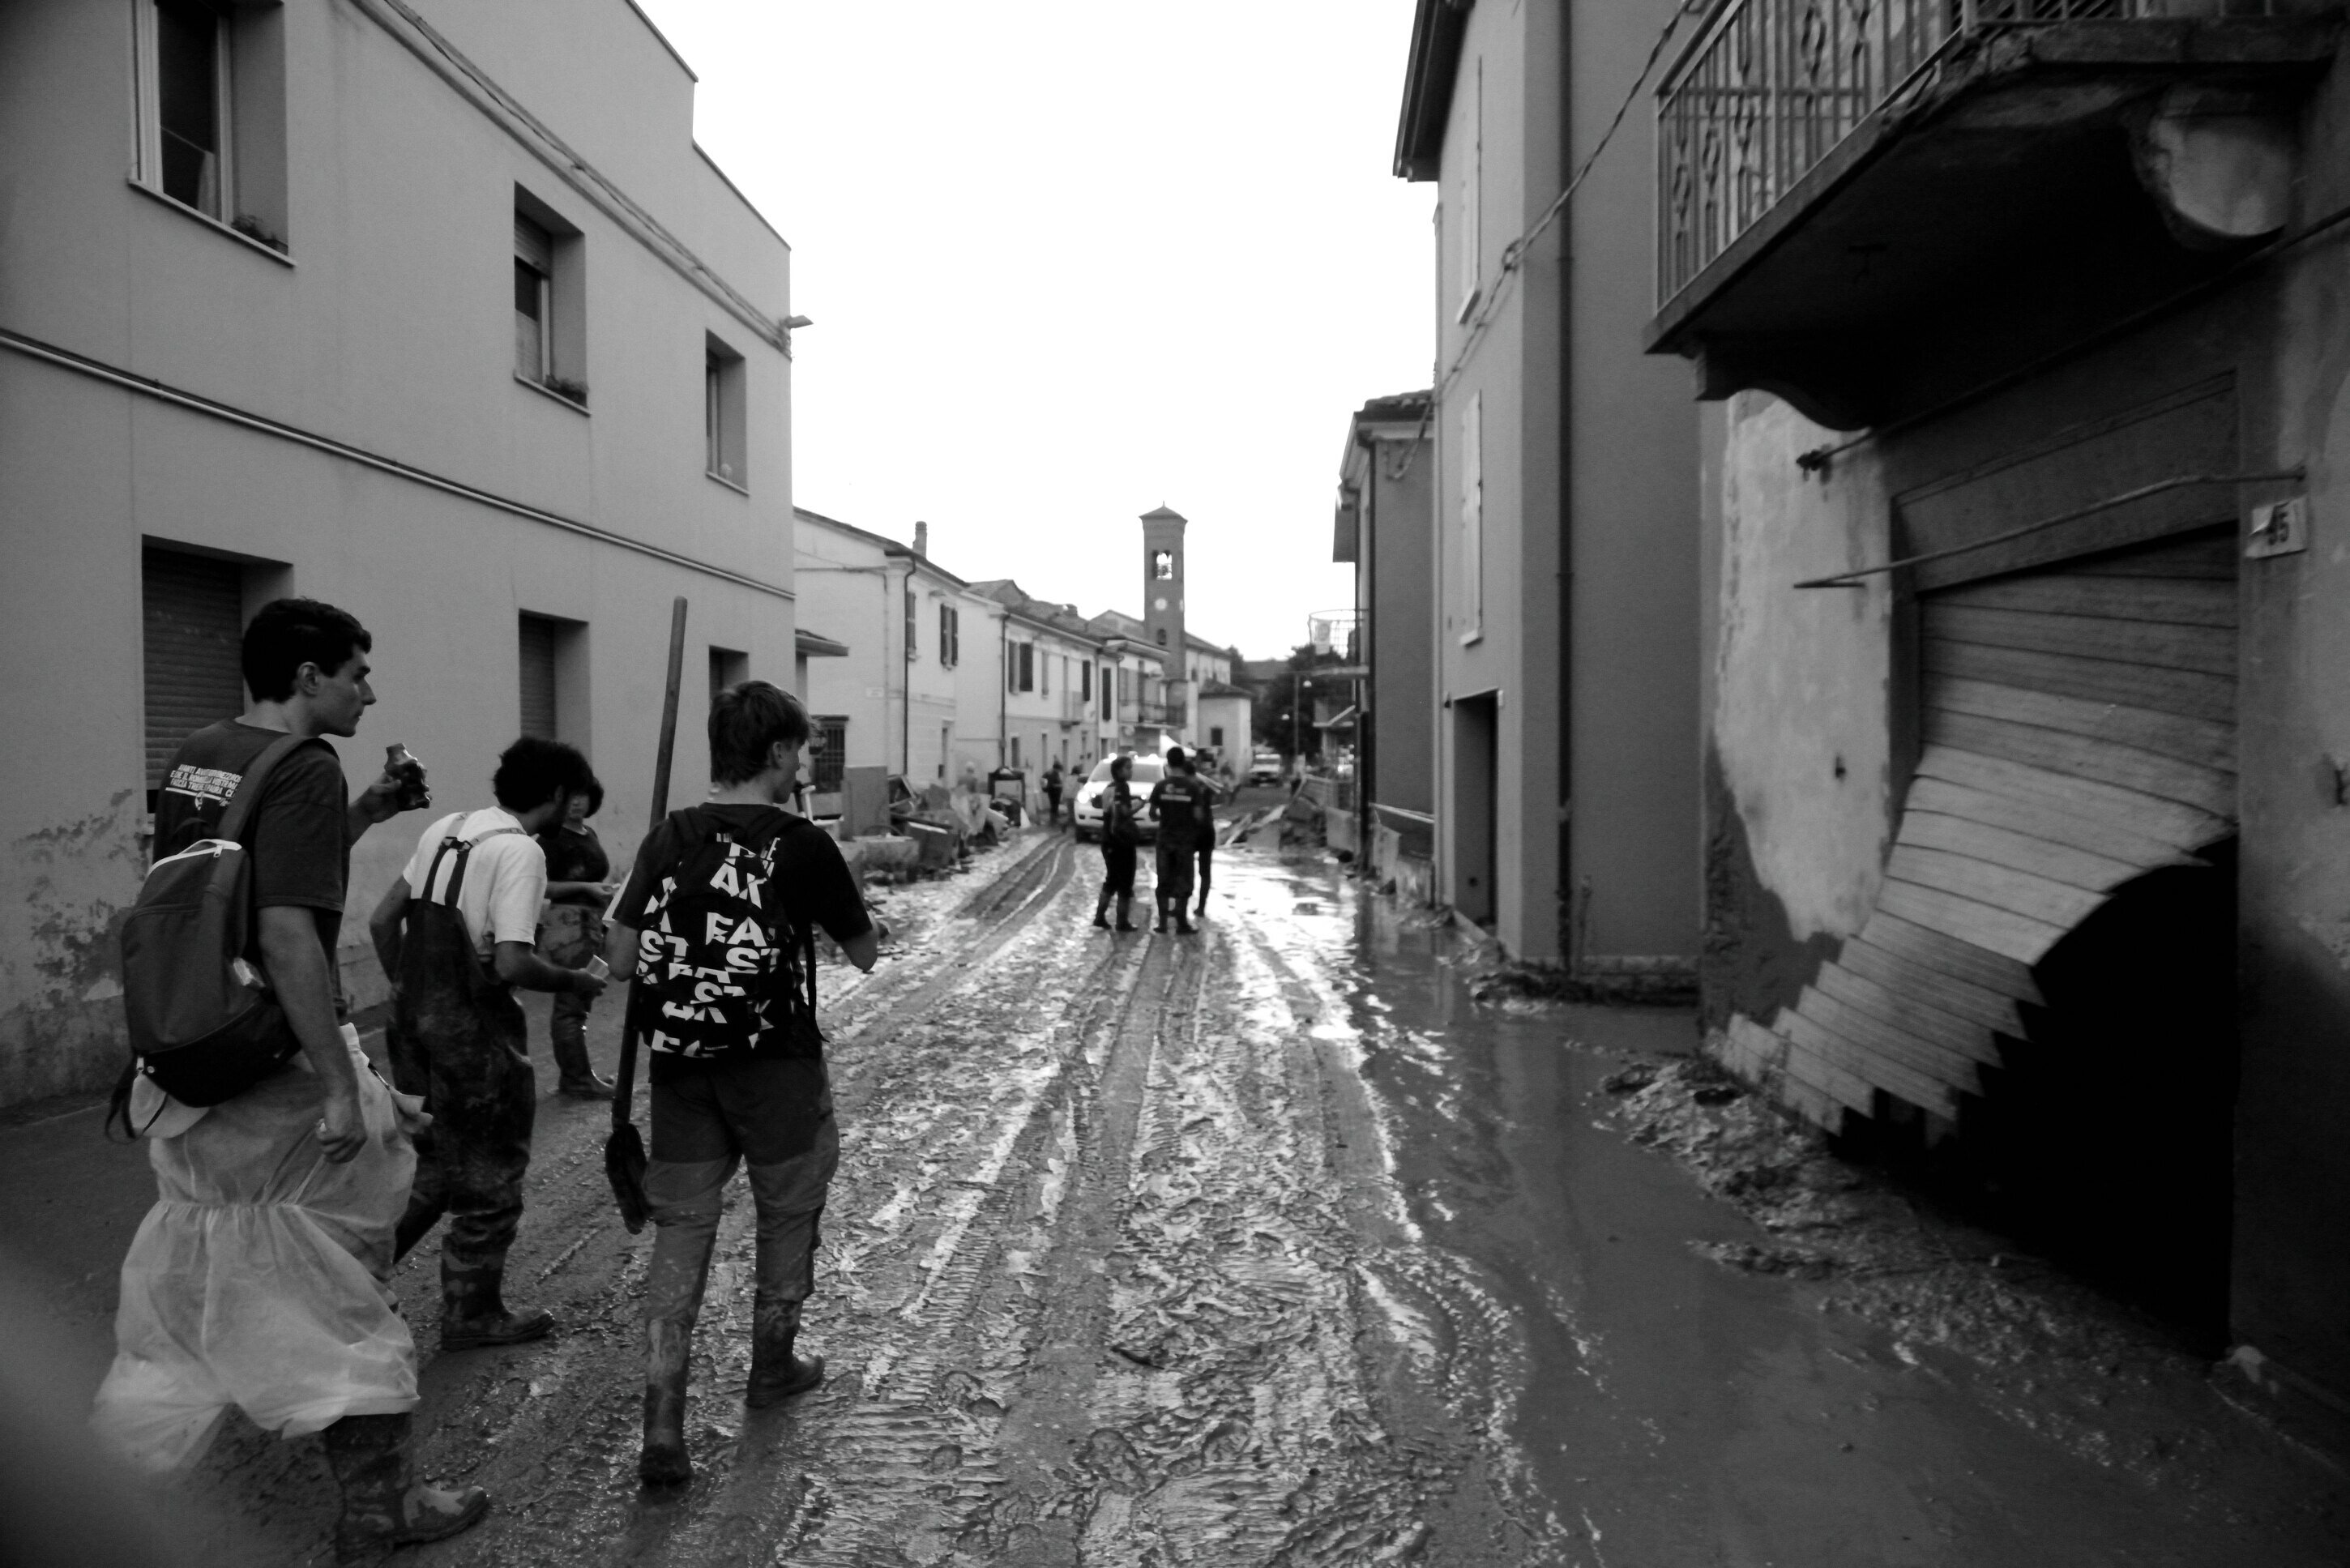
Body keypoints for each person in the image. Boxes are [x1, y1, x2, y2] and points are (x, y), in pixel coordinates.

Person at [90, 597, 489, 1558]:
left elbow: (237, 884)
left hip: (193, 1058)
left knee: (206, 1285)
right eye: (358, 672)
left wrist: (365, 815)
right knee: (341, 1284)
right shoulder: (306, 764)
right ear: (308, 679)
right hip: (272, 1063)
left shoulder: (201, 751)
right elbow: (281, 931)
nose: (370, 689)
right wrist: (340, 1082)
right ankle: (379, 1508)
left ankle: (99, 1492)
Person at [603, 681, 881, 1489]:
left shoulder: (669, 836)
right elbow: (863, 953)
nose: (805, 761)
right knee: (786, 1211)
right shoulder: (801, 843)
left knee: (682, 1229)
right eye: (799, 748)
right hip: (777, 1067)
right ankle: (771, 1365)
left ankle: (662, 1424)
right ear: (774, 755)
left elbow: (620, 962)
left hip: (681, 1067)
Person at [368, 737, 606, 1351]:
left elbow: (381, 919)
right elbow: (512, 963)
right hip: (469, 1034)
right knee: (491, 1170)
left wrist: (409, 987)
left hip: (409, 1022)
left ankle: (355, 1278)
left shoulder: (449, 828)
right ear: (556, 795)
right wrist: (577, 979)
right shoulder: (521, 851)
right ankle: (471, 1311)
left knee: (439, 1163)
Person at [536, 775, 617, 1098]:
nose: (576, 803)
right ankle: (577, 1078)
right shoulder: (550, 839)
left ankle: (580, 1074)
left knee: (581, 1001)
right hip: (568, 925)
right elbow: (541, 886)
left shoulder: (589, 833)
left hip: (592, 924)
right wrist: (585, 888)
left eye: (582, 796)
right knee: (571, 1003)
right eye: (570, 796)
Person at [1145, 746, 1206, 935]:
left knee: (1164, 881)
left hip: (1164, 840)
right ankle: (1181, 924)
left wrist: (1165, 816)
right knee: (1184, 882)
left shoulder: (1161, 786)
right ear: (1183, 761)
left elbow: (1152, 814)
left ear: (1168, 762)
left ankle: (1162, 924)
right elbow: (1198, 816)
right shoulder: (1193, 787)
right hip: (1185, 841)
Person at [1092, 754, 1140, 932]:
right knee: (1125, 882)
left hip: (1108, 840)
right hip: (1120, 841)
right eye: (1128, 768)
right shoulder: (1122, 788)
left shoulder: (1108, 788)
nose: (1131, 771)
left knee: (1112, 880)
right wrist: (1138, 806)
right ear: (1119, 771)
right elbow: (1122, 813)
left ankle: (1100, 917)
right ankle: (1122, 921)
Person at [1192, 761, 1220, 919]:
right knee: (1205, 872)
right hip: (1207, 830)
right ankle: (1201, 907)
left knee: (1187, 870)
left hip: (1195, 831)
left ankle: (1183, 905)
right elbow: (1221, 793)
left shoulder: (1192, 788)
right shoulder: (1207, 789)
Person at [1043, 759, 1065, 827]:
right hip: (1054, 792)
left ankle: (1054, 820)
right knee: (1054, 806)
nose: (1060, 771)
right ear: (1057, 769)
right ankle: (1053, 821)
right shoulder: (1052, 774)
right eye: (1059, 769)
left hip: (1054, 792)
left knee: (1054, 806)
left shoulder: (1053, 773)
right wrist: (1060, 785)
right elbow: (1052, 784)